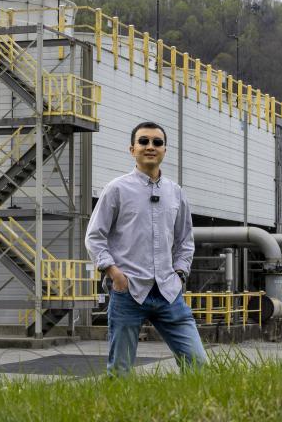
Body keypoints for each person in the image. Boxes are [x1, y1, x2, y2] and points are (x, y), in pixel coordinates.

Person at [85, 121, 207, 375]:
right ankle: (122, 415)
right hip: (128, 291)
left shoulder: (176, 193)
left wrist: (180, 273)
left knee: (199, 366)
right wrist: (114, 273)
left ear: (164, 150)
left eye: (157, 142)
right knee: (120, 371)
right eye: (144, 141)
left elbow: (185, 240)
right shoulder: (116, 189)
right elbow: (94, 236)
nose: (150, 146)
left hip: (168, 291)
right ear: (132, 149)